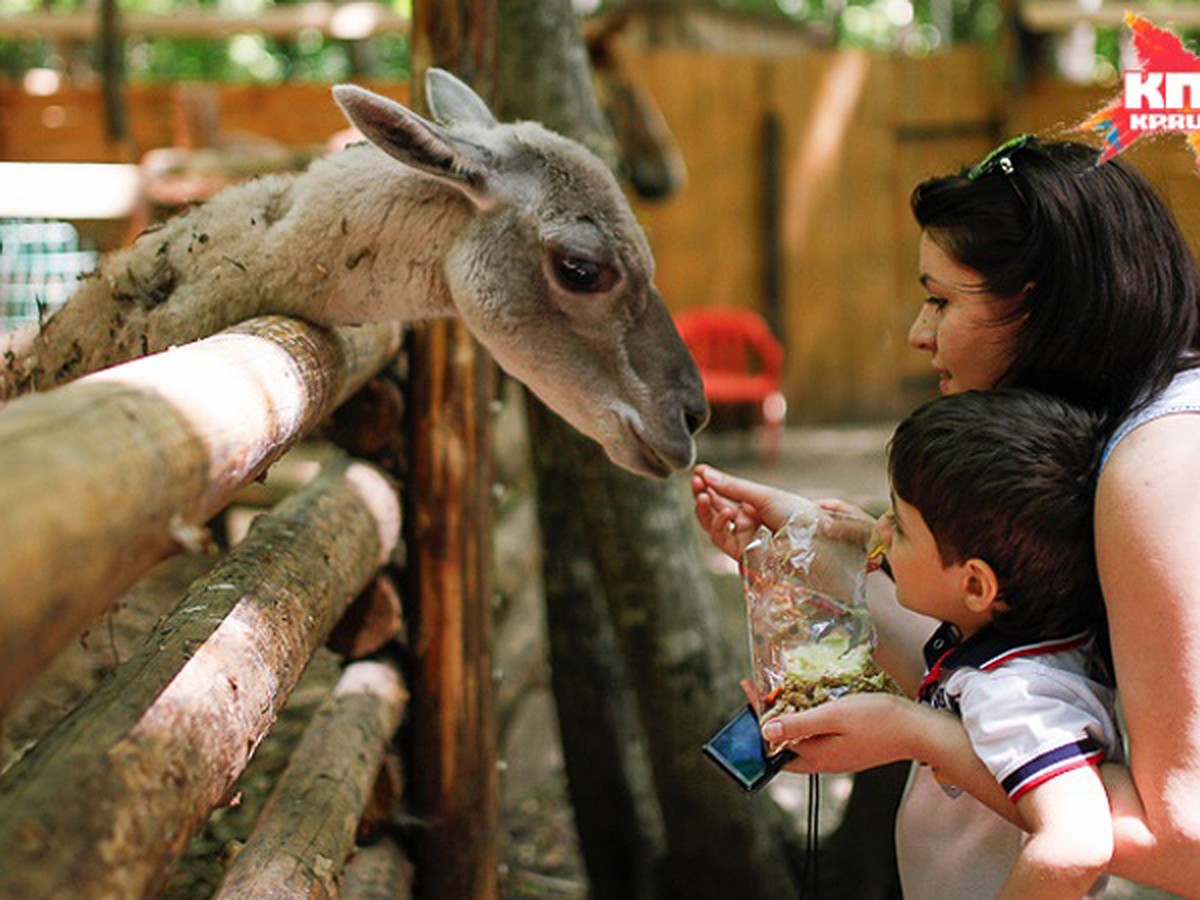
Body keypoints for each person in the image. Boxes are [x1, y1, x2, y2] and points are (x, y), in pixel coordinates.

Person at [693, 135, 1200, 895]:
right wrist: (815, 557)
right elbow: (1000, 659)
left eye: (940, 298)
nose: (917, 333)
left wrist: (914, 733)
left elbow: (1181, 839)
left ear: (1036, 305)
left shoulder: (1154, 471)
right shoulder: (1099, 436)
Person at [879, 388, 1117, 899]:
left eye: (897, 526)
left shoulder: (1014, 695)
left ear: (975, 586)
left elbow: (1075, 843)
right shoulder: (1033, 637)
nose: (879, 530)